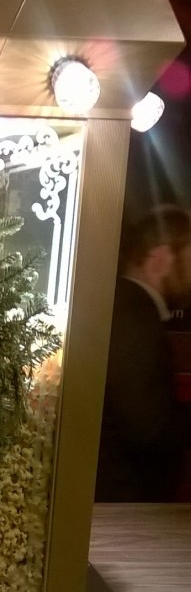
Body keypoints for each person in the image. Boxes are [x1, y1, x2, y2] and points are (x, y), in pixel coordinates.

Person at [95, 204, 191, 502]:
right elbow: (147, 428)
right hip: (123, 501)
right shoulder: (135, 316)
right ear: (162, 259)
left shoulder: (127, 305)